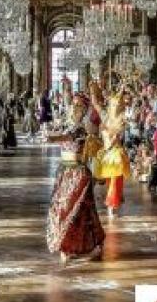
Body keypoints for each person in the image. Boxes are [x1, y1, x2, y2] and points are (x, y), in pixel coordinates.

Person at [46, 93, 105, 263]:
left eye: (78, 105)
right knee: (62, 209)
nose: (74, 108)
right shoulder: (69, 125)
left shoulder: (81, 128)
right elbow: (63, 135)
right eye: (73, 104)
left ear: (84, 109)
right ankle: (67, 245)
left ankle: (88, 244)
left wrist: (53, 138)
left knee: (77, 211)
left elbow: (67, 138)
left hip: (78, 173)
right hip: (65, 172)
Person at [94, 92, 131, 218]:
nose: (115, 106)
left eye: (117, 104)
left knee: (115, 180)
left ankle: (112, 204)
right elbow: (96, 104)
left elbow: (116, 137)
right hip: (106, 152)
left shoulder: (121, 119)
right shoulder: (105, 117)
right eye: (113, 104)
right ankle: (113, 203)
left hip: (115, 153)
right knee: (110, 181)